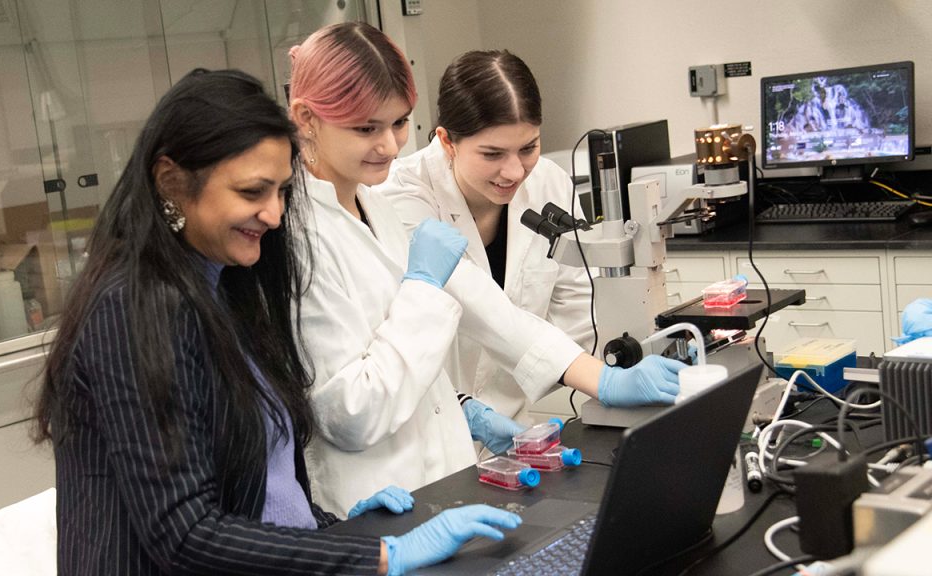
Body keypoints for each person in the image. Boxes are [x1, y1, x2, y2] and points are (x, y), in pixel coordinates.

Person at [33, 68, 520, 576]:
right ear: (171, 182)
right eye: (252, 192)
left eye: (283, 191)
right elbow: (184, 533)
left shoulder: (227, 287)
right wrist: (376, 555)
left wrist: (330, 528)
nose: (273, 213)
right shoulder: (132, 308)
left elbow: (260, 481)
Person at [287, 23, 682, 517]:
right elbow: (354, 406)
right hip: (373, 493)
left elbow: (538, 311)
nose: (389, 146)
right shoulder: (312, 230)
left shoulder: (371, 206)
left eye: (398, 123)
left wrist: (462, 406)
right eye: (367, 129)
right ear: (306, 119)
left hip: (451, 468)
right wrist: (594, 379)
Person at [376, 50, 683, 421]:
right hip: (433, 424)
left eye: (528, 148)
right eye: (492, 154)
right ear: (447, 141)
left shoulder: (548, 181)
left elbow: (578, 312)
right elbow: (480, 307)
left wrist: (636, 359)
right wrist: (601, 380)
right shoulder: (402, 194)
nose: (514, 171)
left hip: (513, 423)